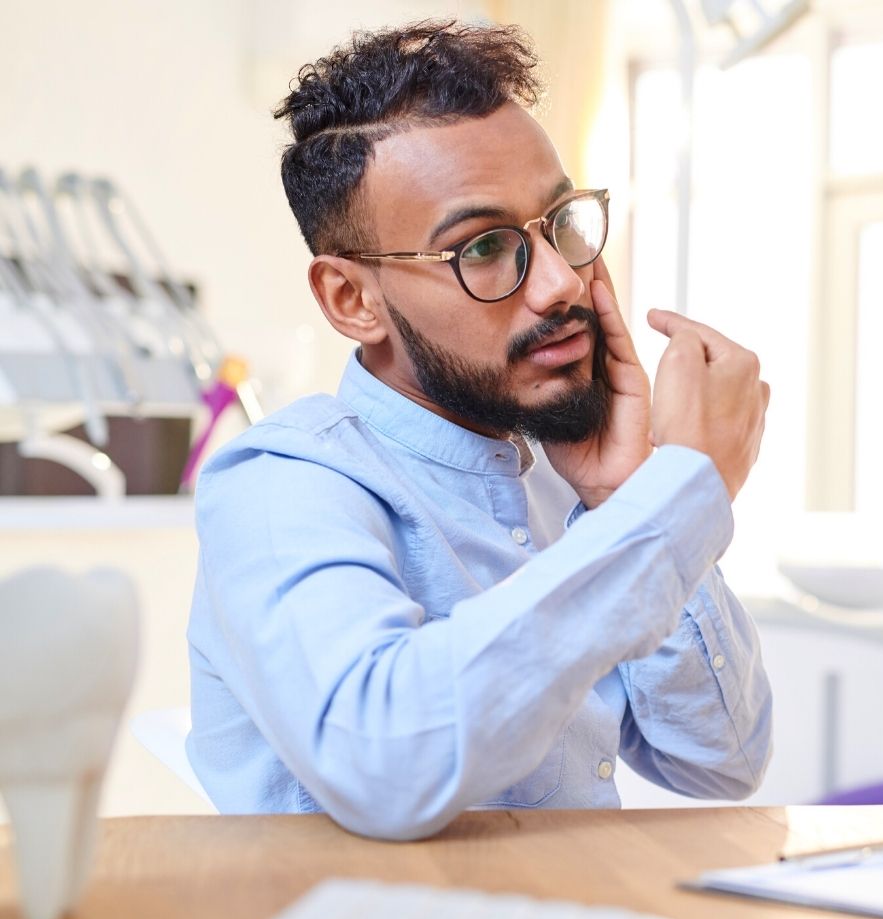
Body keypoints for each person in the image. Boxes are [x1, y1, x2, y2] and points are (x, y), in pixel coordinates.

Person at [187, 19, 773, 840]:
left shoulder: (564, 479)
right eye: (484, 247)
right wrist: (681, 497)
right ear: (352, 300)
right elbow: (386, 766)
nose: (561, 282)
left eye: (561, 221)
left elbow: (721, 761)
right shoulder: (280, 488)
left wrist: (625, 497)